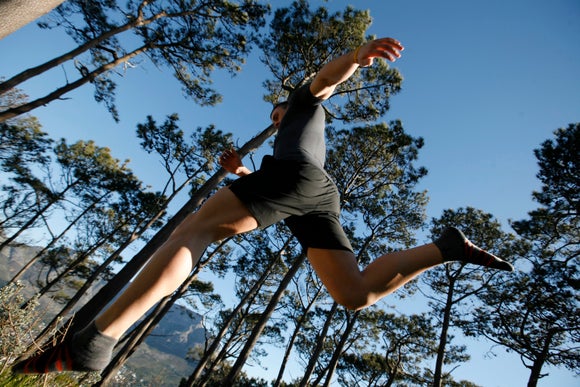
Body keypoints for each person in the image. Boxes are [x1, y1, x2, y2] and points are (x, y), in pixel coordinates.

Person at [12, 37, 513, 375]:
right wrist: (244, 176)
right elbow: (285, 181)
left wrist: (357, 56)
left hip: (298, 182)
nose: (274, 116)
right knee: (355, 294)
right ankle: (443, 249)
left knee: (193, 232)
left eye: (275, 111)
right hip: (317, 195)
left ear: (284, 106)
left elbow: (323, 82)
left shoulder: (302, 103)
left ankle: (93, 343)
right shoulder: (296, 137)